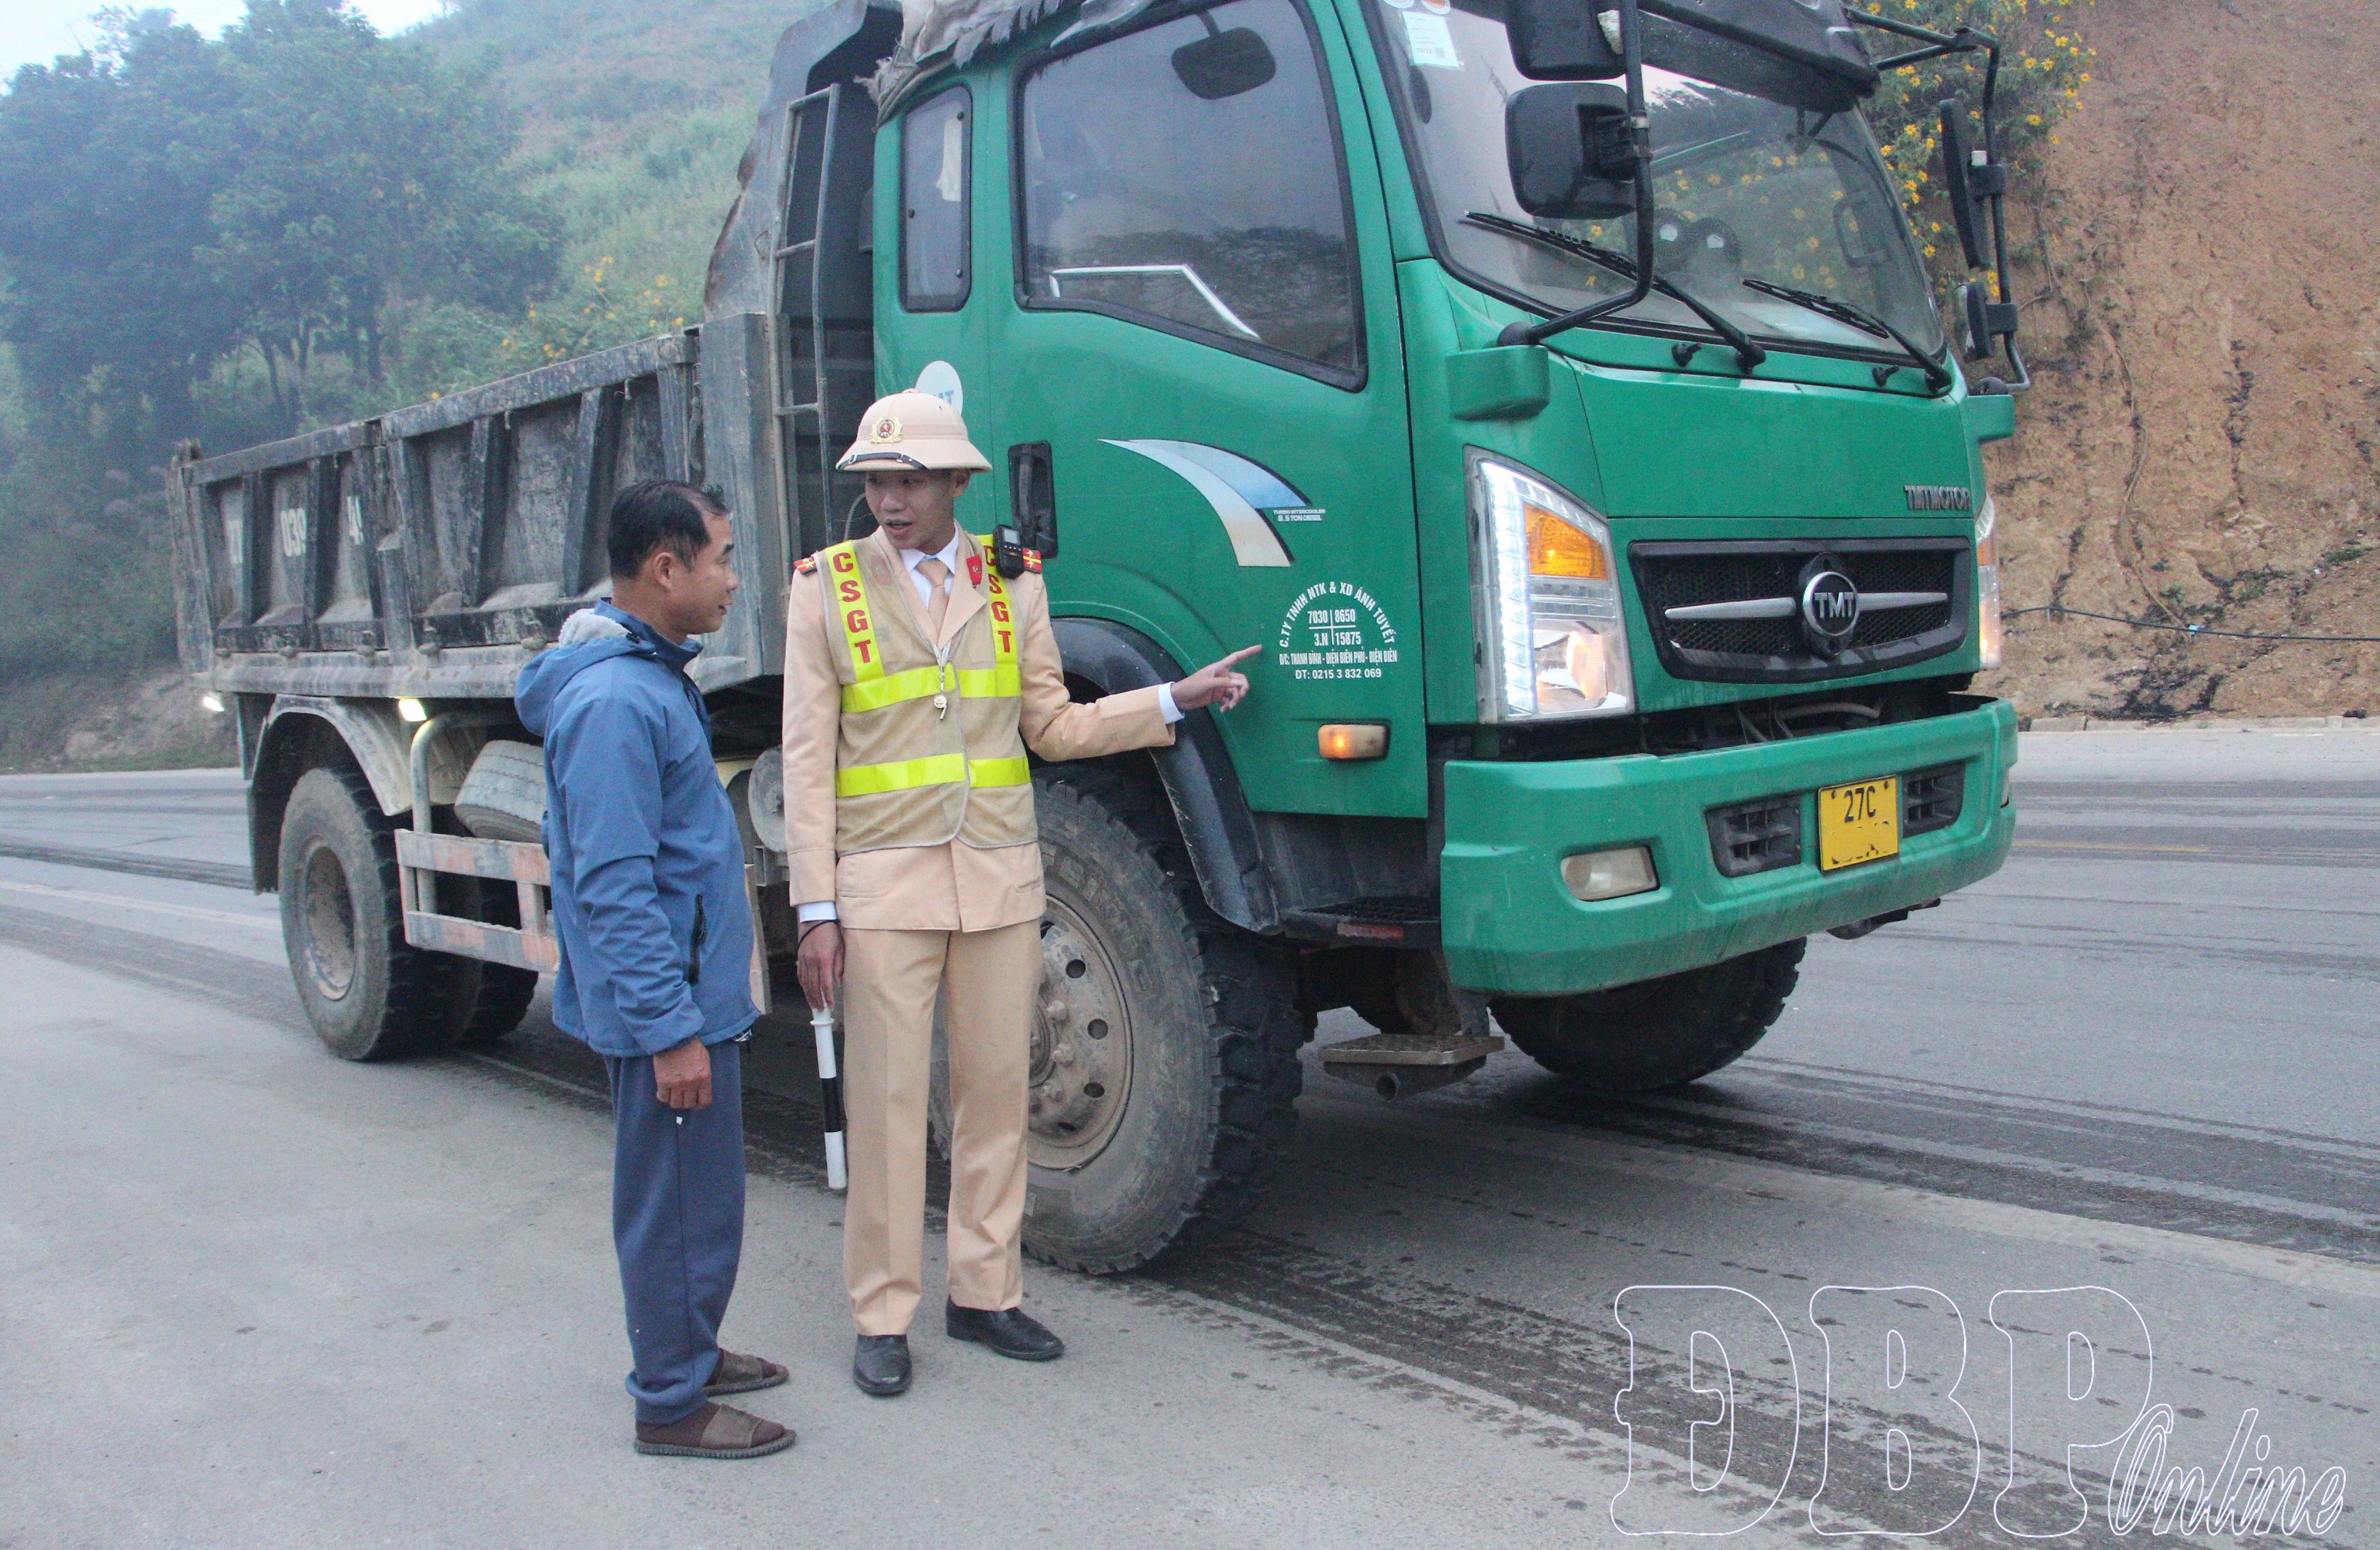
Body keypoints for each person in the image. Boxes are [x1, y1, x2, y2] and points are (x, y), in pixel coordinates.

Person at [781, 390, 1257, 1397]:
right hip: (883, 888)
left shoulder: (1012, 586)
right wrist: (815, 909)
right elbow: (807, 762)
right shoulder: (827, 588)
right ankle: (882, 1314)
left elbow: (1053, 726)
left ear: (958, 482)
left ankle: (985, 1293)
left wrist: (1172, 699)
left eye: (911, 481)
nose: (890, 500)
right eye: (876, 482)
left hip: (997, 879)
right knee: (886, 1104)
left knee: (996, 1096)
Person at [516, 480, 794, 1460]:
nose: (733, 579)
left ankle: (691, 1351)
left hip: (688, 996)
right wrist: (671, 1029)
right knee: (674, 1206)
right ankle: (670, 1404)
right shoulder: (615, 700)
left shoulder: (650, 675)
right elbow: (614, 885)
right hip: (665, 1010)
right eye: (722, 558)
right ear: (666, 569)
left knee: (698, 1199)